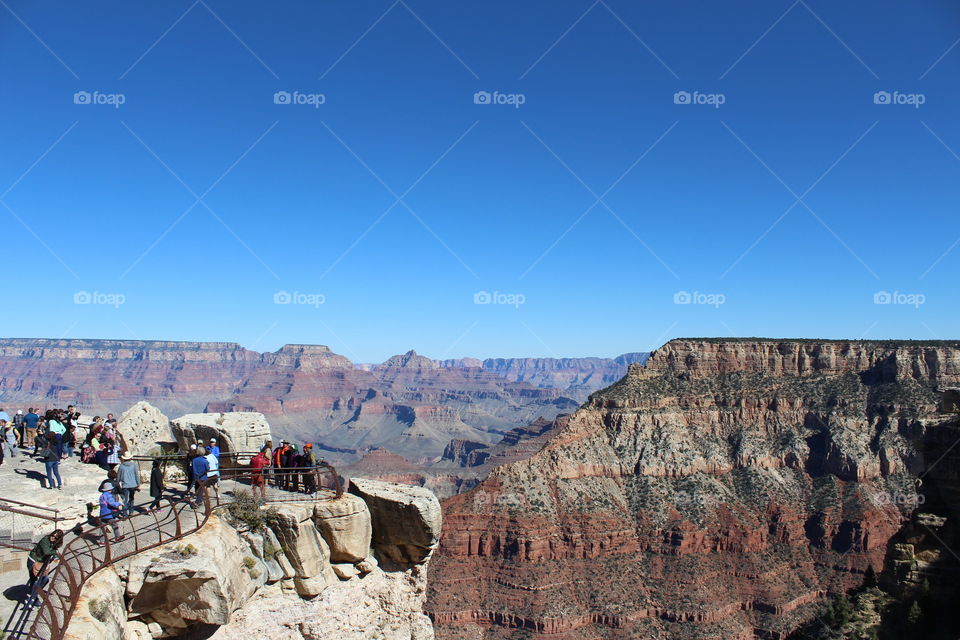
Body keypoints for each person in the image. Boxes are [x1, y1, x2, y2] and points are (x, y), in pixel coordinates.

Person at [116, 452, 140, 517]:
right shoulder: (133, 465)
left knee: (125, 500)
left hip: (125, 485)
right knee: (131, 498)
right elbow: (136, 475)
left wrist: (117, 482)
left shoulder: (121, 466)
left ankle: (124, 514)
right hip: (133, 485)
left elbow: (118, 477)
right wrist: (138, 484)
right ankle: (131, 511)